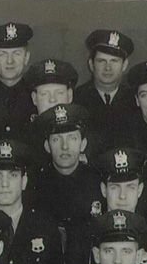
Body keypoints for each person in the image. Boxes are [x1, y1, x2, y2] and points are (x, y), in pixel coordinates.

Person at [30, 103, 104, 252]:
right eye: (57, 139)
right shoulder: (35, 185)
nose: (65, 146)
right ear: (47, 146)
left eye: (72, 138)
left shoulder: (98, 182)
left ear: (83, 144)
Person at [75, 29, 139, 149]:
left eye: (114, 61)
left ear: (124, 65)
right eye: (101, 61)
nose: (107, 68)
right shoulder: (77, 99)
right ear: (91, 64)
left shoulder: (135, 100)